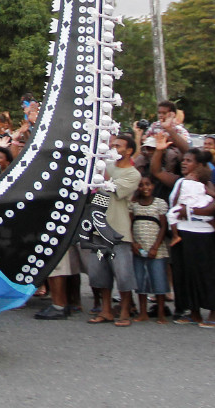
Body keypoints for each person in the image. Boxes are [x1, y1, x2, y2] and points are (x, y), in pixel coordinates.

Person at [151, 135, 215, 327]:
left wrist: (189, 211)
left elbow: (214, 206)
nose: (184, 163)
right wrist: (159, 149)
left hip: (204, 235)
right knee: (186, 273)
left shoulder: (205, 183)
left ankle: (214, 313)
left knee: (209, 273)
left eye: (189, 161)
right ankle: (194, 312)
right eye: (183, 160)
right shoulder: (180, 182)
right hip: (183, 234)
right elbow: (156, 171)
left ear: (198, 165)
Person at [82, 134, 140, 327]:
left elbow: (112, 188)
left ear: (129, 151)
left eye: (118, 145)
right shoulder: (106, 167)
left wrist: (101, 167)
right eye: (112, 145)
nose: (114, 148)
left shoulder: (133, 174)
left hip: (118, 230)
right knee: (100, 273)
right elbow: (97, 193)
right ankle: (106, 311)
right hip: (99, 229)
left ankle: (124, 312)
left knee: (123, 274)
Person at [130, 175, 170, 324]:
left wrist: (155, 246)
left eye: (148, 184)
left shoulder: (159, 203)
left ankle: (161, 313)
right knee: (140, 280)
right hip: (139, 246)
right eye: (141, 185)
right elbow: (130, 224)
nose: (145, 187)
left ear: (153, 186)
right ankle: (142, 312)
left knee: (159, 278)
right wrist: (133, 243)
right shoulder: (133, 204)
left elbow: (163, 226)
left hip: (156, 247)